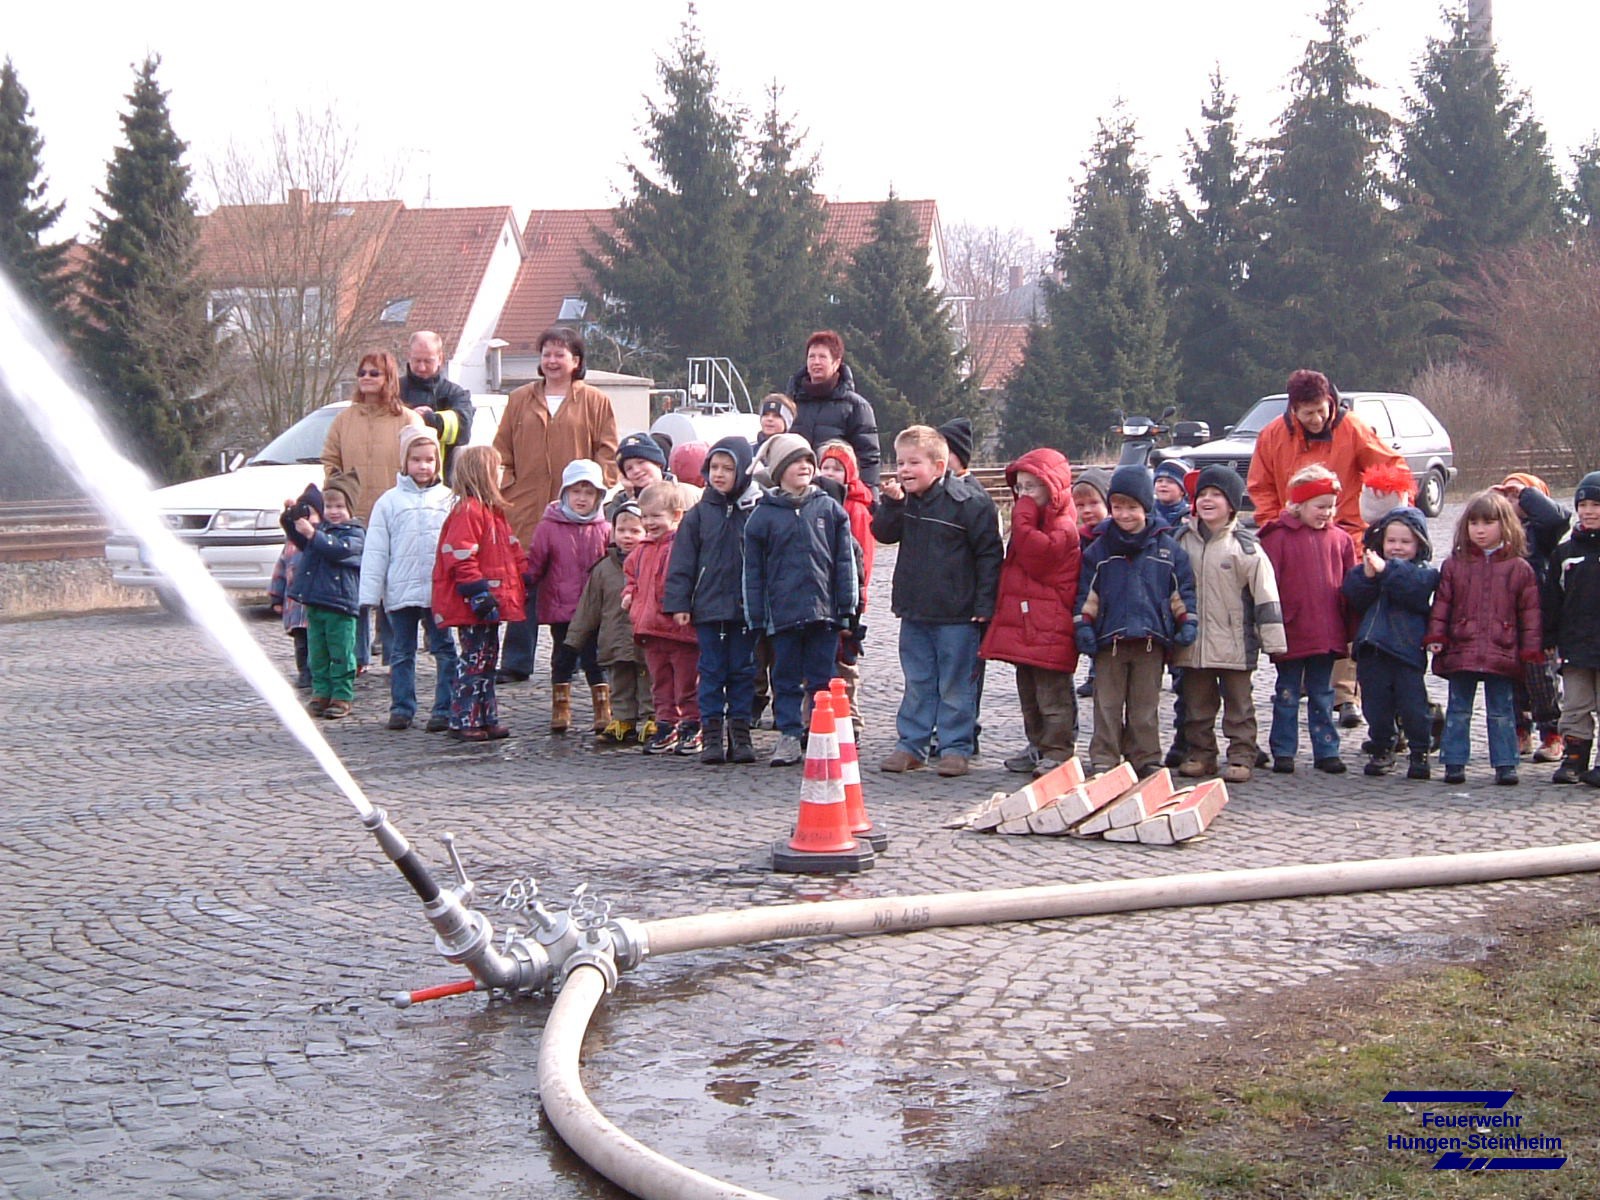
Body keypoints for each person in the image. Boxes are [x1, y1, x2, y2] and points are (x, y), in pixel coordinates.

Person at [1246, 369, 1404, 727]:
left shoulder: (1353, 428)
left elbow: (1390, 466)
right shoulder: (1272, 436)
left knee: (1344, 609)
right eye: (1309, 413)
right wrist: (1276, 526)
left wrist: (1386, 493)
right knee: (1301, 608)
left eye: (1322, 410)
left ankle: (1345, 694)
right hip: (1292, 536)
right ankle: (1306, 678)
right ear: (1293, 410)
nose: (1318, 419)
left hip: (1347, 535)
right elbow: (1261, 486)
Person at [872, 426, 1003, 778]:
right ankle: (911, 745)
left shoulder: (969, 503)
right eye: (900, 462)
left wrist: (984, 606)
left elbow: (990, 556)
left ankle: (955, 747)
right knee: (917, 682)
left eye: (914, 462)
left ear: (940, 464)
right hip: (914, 610)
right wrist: (891, 505)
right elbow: (883, 534)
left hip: (957, 614)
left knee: (956, 685)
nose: (904, 470)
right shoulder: (905, 501)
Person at [493, 326, 618, 683]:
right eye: (546, 353)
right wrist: (509, 488)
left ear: (575, 361)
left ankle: (576, 657)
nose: (551, 361)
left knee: (576, 584)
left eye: (559, 354)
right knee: (525, 583)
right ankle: (516, 661)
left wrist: (597, 492)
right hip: (527, 507)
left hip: (578, 512)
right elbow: (502, 449)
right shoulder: (519, 399)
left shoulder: (595, 401)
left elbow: (607, 451)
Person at [1074, 464, 1198, 776]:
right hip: (1109, 641)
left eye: (1132, 507)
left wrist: (1187, 622)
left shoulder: (1168, 550)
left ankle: (1145, 756)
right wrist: (1083, 625)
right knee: (1107, 706)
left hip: (1151, 640)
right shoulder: (1099, 550)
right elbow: (1088, 594)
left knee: (1145, 708)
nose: (1124, 515)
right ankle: (1105, 756)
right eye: (1117, 507)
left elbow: (1180, 591)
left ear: (1146, 506)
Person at [744, 434, 860, 767]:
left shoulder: (829, 509)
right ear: (779, 470)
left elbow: (844, 561)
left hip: (822, 613)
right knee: (785, 677)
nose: (805, 467)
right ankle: (789, 734)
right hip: (782, 615)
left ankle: (821, 732)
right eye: (796, 461)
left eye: (808, 460)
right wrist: (756, 614)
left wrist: (846, 606)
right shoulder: (762, 517)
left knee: (822, 676)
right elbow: (753, 571)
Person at [1173, 465, 1286, 784]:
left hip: (1236, 643)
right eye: (1202, 495)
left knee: (1239, 707)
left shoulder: (1246, 548)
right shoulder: (1180, 541)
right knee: (1197, 706)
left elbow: (1266, 596)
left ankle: (1241, 754)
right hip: (1193, 643)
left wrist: (1273, 641)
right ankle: (1201, 754)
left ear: (1232, 504)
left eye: (1216, 495)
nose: (1207, 500)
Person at [1426, 491, 1542, 786]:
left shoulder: (1519, 568)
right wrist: (1437, 635)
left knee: (1502, 710)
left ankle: (1505, 763)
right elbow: (1442, 604)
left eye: (1488, 522)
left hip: (1502, 648)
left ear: (1505, 525)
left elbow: (1529, 614)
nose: (1479, 529)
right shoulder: (1454, 565)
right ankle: (1454, 761)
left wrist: (1530, 651)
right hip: (1462, 646)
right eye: (1474, 523)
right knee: (1459, 708)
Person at [981, 448, 1082, 778]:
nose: (1023, 496)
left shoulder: (1062, 526)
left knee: (1053, 695)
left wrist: (1021, 515)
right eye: (1020, 488)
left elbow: (1038, 555)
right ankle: (1036, 743)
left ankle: (1058, 748)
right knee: (1029, 694)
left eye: (1031, 488)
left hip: (1049, 625)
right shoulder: (1034, 522)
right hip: (1027, 622)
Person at [321, 350, 424, 669]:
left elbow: (424, 463)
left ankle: (397, 656)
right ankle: (357, 657)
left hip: (395, 516)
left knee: (393, 590)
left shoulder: (407, 419)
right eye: (362, 372)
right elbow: (330, 461)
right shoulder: (344, 419)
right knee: (355, 589)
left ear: (388, 378)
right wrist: (341, 496)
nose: (366, 378)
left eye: (374, 373)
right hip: (355, 518)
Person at [666, 437, 763, 765]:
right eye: (714, 468)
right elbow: (682, 561)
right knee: (710, 671)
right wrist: (679, 603)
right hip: (707, 607)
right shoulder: (697, 515)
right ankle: (711, 734)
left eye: (728, 468)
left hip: (745, 608)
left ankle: (740, 732)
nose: (719, 475)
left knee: (742, 671)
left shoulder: (755, 512)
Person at [1258, 464, 1358, 774]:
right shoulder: (1276, 538)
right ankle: (1284, 750)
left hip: (1327, 632)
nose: (1327, 513)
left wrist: (1350, 629)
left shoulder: (1341, 540)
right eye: (1320, 506)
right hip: (1291, 630)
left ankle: (1327, 749)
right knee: (1287, 693)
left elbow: (1350, 588)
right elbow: (1266, 585)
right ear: (1299, 505)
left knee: (1323, 693)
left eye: (1331, 506)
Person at [358, 426, 459, 733]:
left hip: (437, 591)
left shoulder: (449, 500)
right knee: (401, 652)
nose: (423, 466)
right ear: (405, 462)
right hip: (400, 592)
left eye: (429, 459)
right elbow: (376, 550)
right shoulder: (388, 502)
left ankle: (445, 706)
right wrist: (369, 595)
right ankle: (402, 707)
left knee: (444, 650)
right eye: (416, 459)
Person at [432, 445, 528, 742]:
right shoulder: (470, 511)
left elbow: (511, 551)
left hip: (490, 601)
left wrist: (526, 575)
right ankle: (462, 717)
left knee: (487, 660)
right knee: (474, 660)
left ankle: (484, 715)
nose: (501, 474)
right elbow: (460, 556)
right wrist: (478, 593)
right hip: (473, 602)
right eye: (497, 468)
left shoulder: (492, 512)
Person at [1341, 504, 1438, 779]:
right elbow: (1354, 596)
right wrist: (1369, 579)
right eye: (1391, 541)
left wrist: (1387, 570)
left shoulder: (1424, 573)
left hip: (1406, 652)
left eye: (1405, 542)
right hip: (1372, 650)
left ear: (1419, 544)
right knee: (1375, 705)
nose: (1397, 547)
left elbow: (1414, 590)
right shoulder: (1372, 570)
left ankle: (1420, 750)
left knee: (1413, 705)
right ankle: (1382, 746)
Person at [524, 460, 612, 733]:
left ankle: (603, 708)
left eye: (588, 493)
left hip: (593, 610)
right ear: (565, 493)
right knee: (562, 658)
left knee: (595, 659)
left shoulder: (604, 529)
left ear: (598, 497)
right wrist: (522, 583)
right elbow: (535, 562)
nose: (582, 499)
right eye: (576, 492)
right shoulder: (549, 526)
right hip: (560, 606)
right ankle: (561, 707)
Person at [1492, 472, 1570, 762]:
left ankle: (1552, 732)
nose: (1512, 501)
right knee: (1509, 678)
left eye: (1518, 496)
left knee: (1542, 681)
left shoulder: (1542, 534)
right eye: (1508, 496)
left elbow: (1557, 518)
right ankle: (1519, 729)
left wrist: (1525, 494)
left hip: (1538, 620)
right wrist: (1493, 502)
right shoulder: (1497, 532)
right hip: (1504, 619)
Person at [623, 480, 704, 756]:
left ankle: (692, 724)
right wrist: (629, 594)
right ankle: (665, 723)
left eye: (656, 516)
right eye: (645, 516)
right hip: (650, 629)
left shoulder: (682, 546)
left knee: (686, 682)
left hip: (679, 631)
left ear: (676, 515)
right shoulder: (640, 551)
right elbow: (631, 578)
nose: (649, 522)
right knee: (660, 682)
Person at [567, 500, 655, 746]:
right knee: (620, 681)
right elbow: (589, 605)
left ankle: (652, 716)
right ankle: (623, 718)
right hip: (615, 637)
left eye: (634, 531)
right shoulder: (604, 568)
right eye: (622, 531)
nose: (627, 536)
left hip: (646, 635)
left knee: (649, 679)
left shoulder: (652, 560)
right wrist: (575, 637)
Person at [283, 473, 365, 721]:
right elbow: (299, 536)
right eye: (329, 506)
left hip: (340, 606)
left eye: (339, 506)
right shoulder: (320, 532)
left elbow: (337, 550)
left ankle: (342, 695)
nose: (334, 511)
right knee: (317, 654)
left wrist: (313, 534)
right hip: (315, 604)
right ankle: (321, 693)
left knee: (341, 653)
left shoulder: (354, 534)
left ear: (350, 507)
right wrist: (290, 516)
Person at [1543, 472, 1600, 784]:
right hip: (1575, 645)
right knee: (1575, 705)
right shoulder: (1565, 553)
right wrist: (1549, 636)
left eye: (1596, 504)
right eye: (1584, 504)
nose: (1589, 511)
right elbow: (1552, 599)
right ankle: (1575, 756)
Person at [786, 330, 881, 489]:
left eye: (822, 357)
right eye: (811, 356)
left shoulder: (855, 406)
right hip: (796, 492)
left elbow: (868, 458)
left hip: (839, 495)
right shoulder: (791, 404)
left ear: (836, 363)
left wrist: (868, 500)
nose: (816, 362)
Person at [400, 330, 473, 475]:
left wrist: (427, 419)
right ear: (408, 356)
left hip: (442, 482)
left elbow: (463, 430)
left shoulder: (454, 394)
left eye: (428, 361)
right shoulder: (392, 391)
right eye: (417, 360)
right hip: (398, 481)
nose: (421, 367)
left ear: (440, 358)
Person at [268, 538, 310, 690]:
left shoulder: (324, 539)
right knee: (301, 644)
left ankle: (319, 674)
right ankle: (304, 672)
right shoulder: (291, 545)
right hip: (296, 607)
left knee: (318, 643)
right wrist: (276, 597)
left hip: (318, 605)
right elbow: (280, 573)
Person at [1152, 458, 1191, 528]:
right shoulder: (1147, 512)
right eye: (1159, 481)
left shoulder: (1190, 516)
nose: (1163, 485)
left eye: (1170, 482)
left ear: (1182, 490)